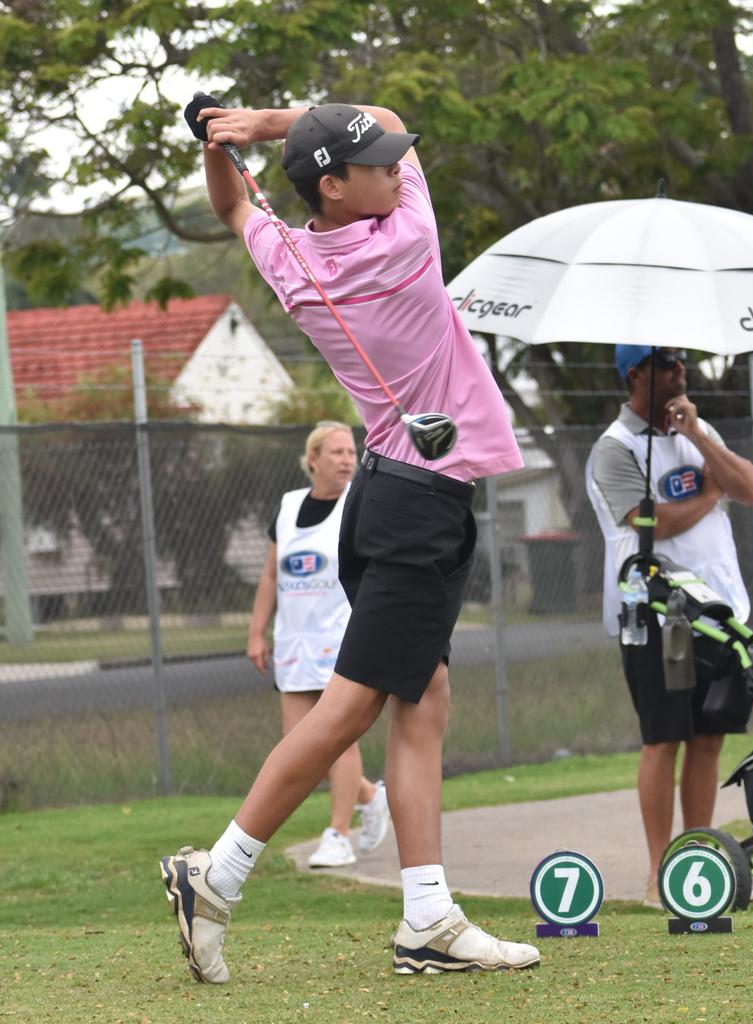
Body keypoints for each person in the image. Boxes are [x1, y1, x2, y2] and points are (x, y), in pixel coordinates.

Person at [160, 98, 539, 983]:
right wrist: (256, 123)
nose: (397, 164)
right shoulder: (408, 238)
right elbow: (387, 110)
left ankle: (427, 918)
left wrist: (222, 145)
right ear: (335, 186)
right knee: (350, 709)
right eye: (377, 163)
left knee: (423, 701)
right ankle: (215, 876)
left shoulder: (292, 261)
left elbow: (232, 209)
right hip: (420, 508)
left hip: (382, 495)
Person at [586, 344, 753, 908]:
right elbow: (649, 523)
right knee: (664, 739)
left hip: (717, 614)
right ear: (637, 375)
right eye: (668, 363)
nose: (680, 370)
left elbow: (751, 488)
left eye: (682, 361)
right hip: (655, 614)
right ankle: (660, 872)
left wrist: (699, 438)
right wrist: (713, 492)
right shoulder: (613, 449)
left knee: (708, 739)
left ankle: (696, 859)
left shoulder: (696, 428)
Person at [247, 421, 389, 867]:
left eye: (352, 451)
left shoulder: (359, 503)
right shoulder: (289, 508)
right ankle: (371, 795)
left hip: (342, 639)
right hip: (293, 641)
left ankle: (337, 835)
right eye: (337, 452)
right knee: (299, 743)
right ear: (313, 460)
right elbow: (271, 575)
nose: (348, 458)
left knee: (337, 739)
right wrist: (256, 632)